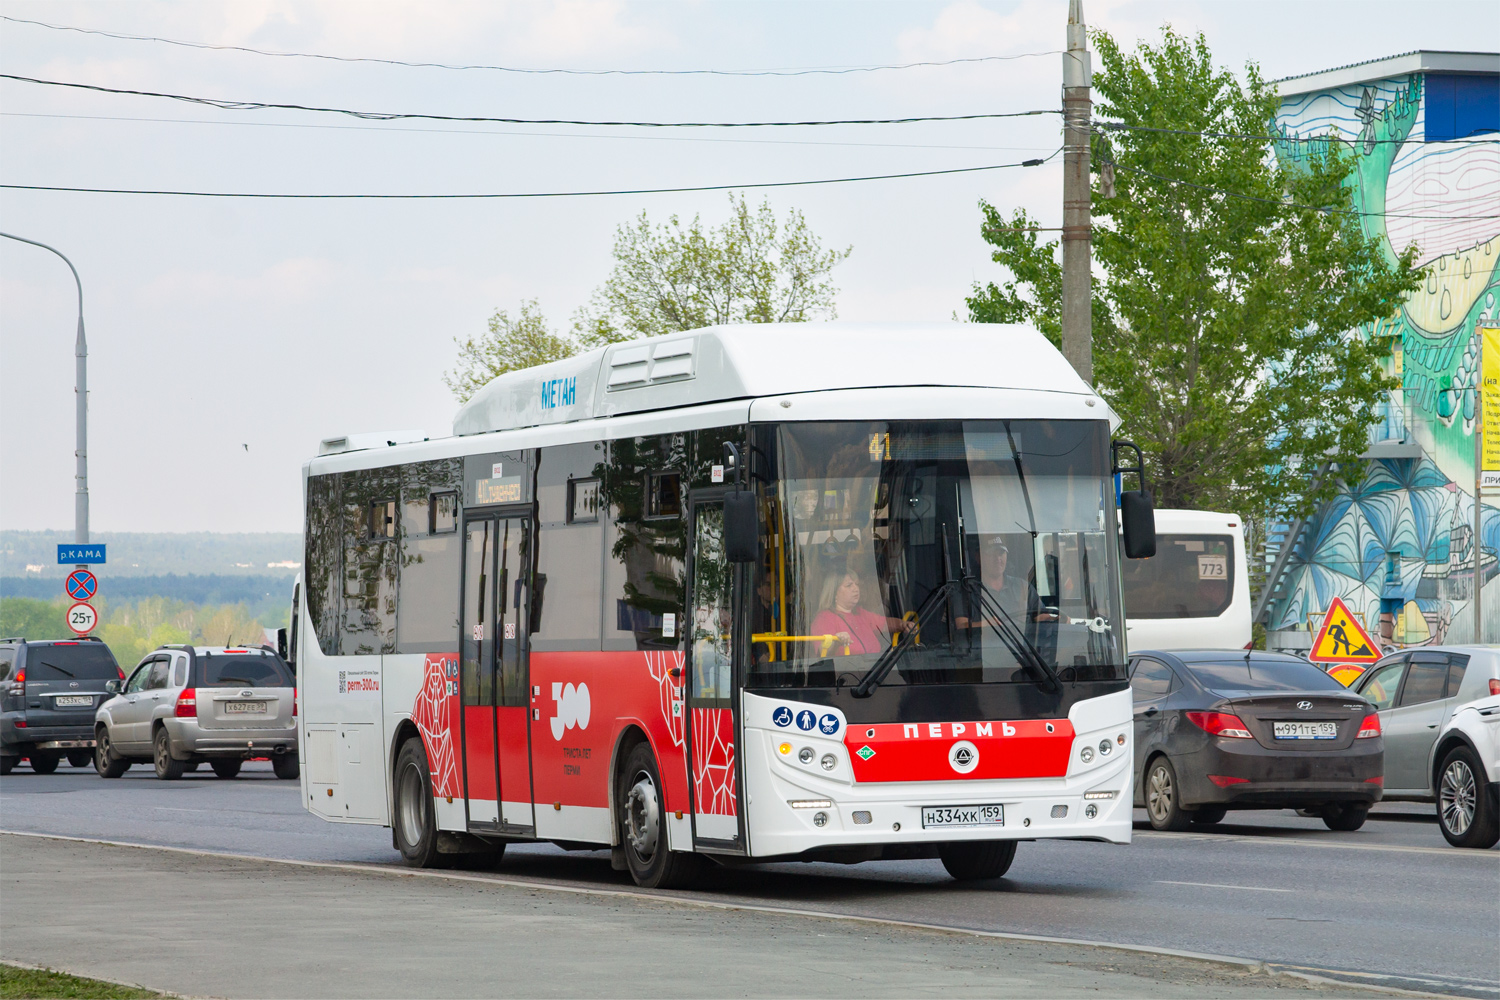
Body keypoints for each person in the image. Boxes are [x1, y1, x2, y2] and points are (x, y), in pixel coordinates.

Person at [809, 571, 915, 655]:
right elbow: (822, 650)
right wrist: (836, 642)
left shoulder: (861, 613)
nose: (856, 589)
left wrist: (903, 624)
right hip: (848, 677)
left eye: (857, 584)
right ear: (834, 592)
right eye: (849, 585)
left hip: (879, 671)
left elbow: (885, 624)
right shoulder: (824, 618)